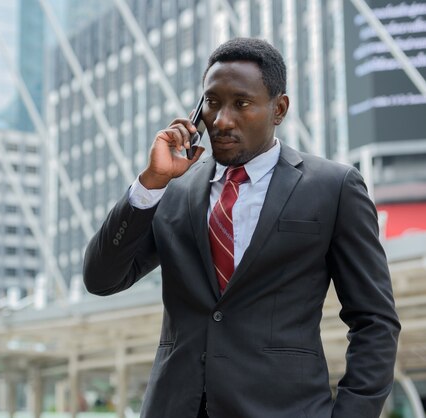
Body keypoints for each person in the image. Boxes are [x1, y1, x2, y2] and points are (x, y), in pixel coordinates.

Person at [83, 37, 400, 418]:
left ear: (278, 108)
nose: (222, 120)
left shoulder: (333, 188)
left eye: (241, 104)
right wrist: (149, 185)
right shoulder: (172, 190)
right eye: (212, 103)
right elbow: (101, 280)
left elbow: (375, 321)